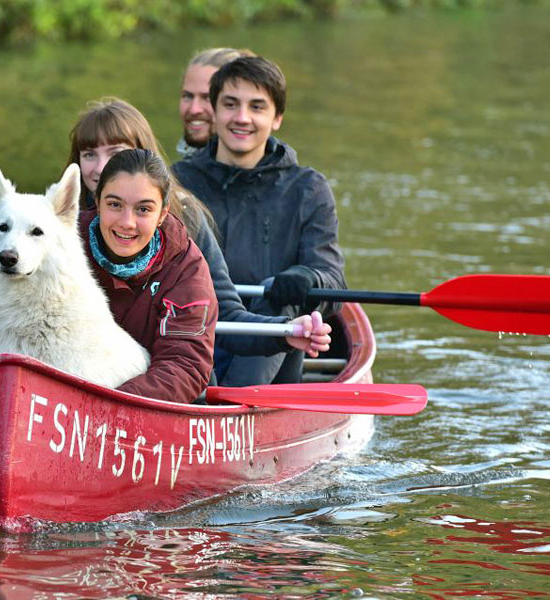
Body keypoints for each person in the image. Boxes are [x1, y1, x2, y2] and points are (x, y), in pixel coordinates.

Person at [67, 98, 332, 385]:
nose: (100, 166)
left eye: (116, 152)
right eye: (89, 154)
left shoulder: (185, 233)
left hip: (166, 379)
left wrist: (285, 330)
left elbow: (225, 313)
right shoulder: (57, 226)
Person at [173, 56, 347, 387]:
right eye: (230, 104)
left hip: (271, 355)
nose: (242, 118)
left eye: (257, 107)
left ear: (277, 118)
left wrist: (306, 276)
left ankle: (227, 406)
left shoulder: (308, 188)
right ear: (215, 110)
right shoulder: (177, 182)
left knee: (281, 298)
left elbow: (334, 284)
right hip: (195, 340)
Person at [79, 149, 217, 403]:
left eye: (143, 209)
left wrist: (106, 405)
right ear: (97, 202)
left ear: (163, 214)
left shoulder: (187, 269)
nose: (127, 222)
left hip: (135, 402)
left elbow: (184, 364)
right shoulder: (60, 242)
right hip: (59, 392)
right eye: (115, 205)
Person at [178, 47, 255, 158]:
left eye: (208, 98)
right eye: (187, 96)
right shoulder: (177, 170)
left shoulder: (276, 173)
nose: (194, 109)